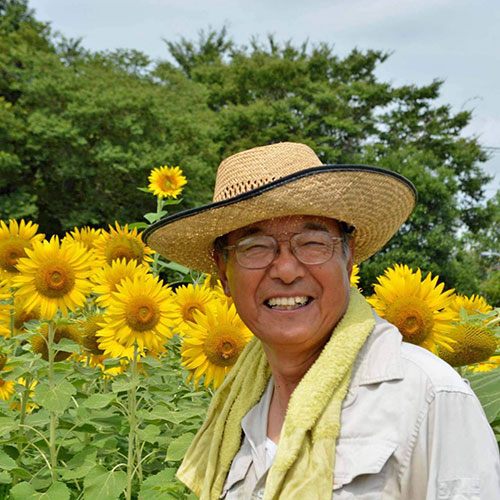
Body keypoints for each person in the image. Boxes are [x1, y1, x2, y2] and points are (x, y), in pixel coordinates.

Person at [144, 142, 500, 499]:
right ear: (224, 276)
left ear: (347, 261)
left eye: (313, 242)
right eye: (255, 246)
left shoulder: (426, 396)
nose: (285, 270)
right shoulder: (234, 417)